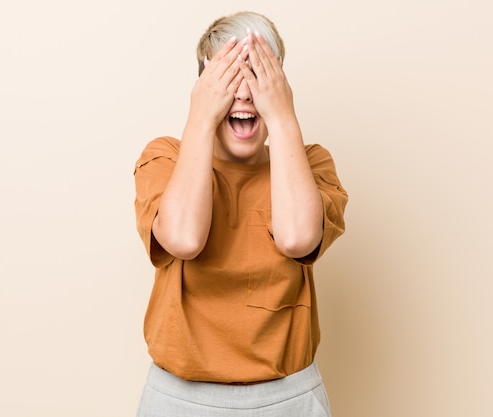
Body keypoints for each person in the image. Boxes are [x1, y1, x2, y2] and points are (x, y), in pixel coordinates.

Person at [133, 11, 348, 417]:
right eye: (229, 77)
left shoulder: (312, 164)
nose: (245, 94)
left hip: (289, 396)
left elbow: (298, 238)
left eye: (259, 75)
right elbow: (182, 239)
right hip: (178, 399)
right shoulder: (164, 158)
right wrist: (201, 115)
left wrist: (283, 117)